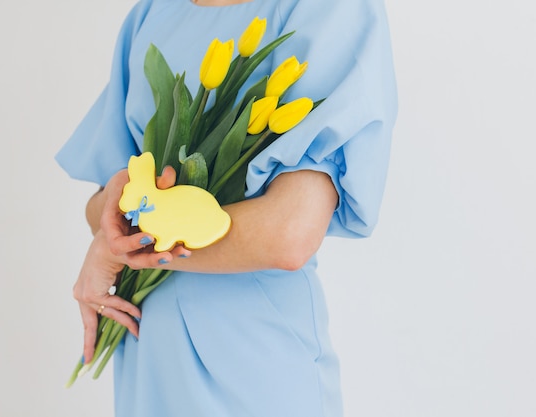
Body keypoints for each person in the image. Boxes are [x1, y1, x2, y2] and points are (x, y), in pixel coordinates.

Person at [55, 0, 397, 415]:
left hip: (249, 361)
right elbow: (102, 209)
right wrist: (114, 229)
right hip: (146, 353)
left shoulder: (328, 9)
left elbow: (289, 232)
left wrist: (124, 248)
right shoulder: (152, 13)